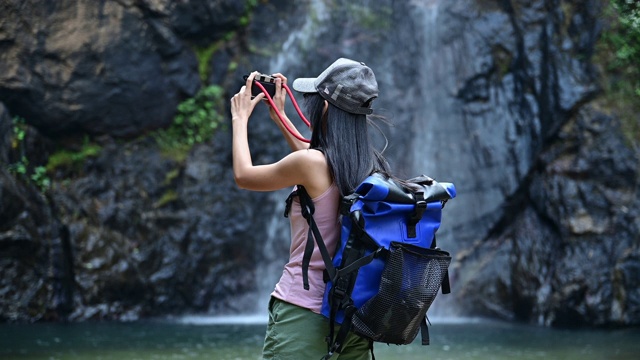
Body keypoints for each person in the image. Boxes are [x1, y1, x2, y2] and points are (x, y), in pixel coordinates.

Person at [230, 58, 391, 360]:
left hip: (303, 314)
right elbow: (313, 160)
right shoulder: (370, 166)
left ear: (326, 107)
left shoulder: (313, 165)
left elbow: (244, 175)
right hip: (352, 319)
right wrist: (280, 118)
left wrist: (239, 119)